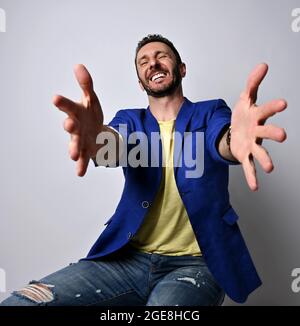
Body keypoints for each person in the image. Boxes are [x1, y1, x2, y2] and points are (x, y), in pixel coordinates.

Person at [1, 34, 287, 306]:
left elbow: (222, 140)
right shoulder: (130, 120)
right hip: (128, 260)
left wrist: (233, 141)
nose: (153, 63)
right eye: (144, 61)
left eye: (162, 56)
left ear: (182, 68)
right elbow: (114, 147)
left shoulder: (210, 112)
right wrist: (96, 139)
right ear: (141, 82)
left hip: (197, 264)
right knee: (22, 301)